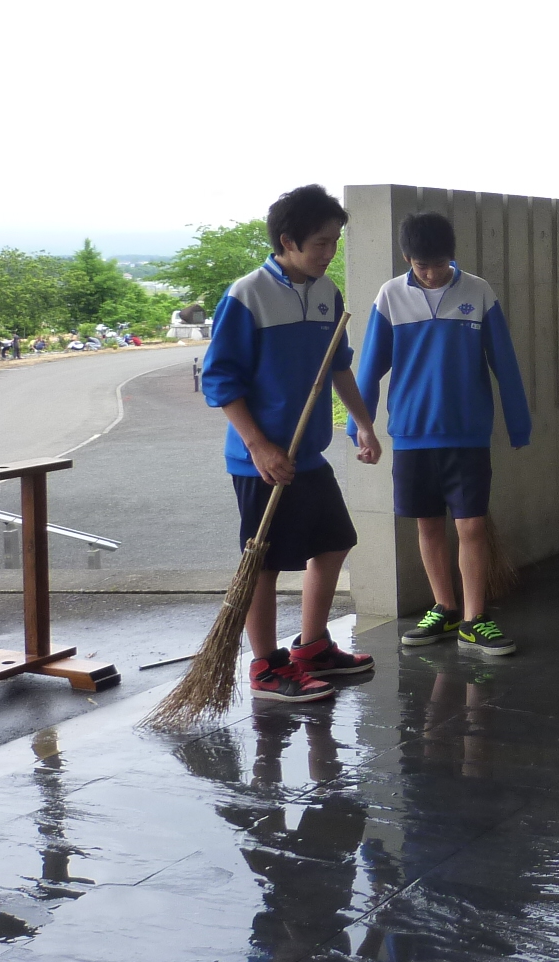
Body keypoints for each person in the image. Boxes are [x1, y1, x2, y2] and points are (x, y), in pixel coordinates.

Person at [202, 183, 383, 704]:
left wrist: (364, 423)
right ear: (288, 241)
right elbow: (220, 380)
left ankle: (313, 647)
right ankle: (266, 666)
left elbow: (338, 365)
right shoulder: (247, 295)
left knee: (334, 541)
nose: (330, 252)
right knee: (263, 563)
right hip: (261, 461)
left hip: (308, 453)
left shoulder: (328, 294)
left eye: (335, 241)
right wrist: (258, 446)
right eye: (321, 242)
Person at [353, 209, 533, 661]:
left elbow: (505, 362)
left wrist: (518, 423)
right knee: (428, 524)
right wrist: (361, 426)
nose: (431, 273)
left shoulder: (478, 291)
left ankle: (474, 619)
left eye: (438, 264)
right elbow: (370, 366)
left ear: (452, 256)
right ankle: (445, 608)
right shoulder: (390, 296)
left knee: (471, 525)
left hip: (467, 433)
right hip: (411, 433)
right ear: (406, 258)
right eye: (421, 265)